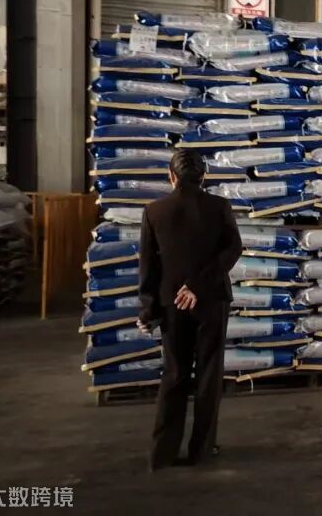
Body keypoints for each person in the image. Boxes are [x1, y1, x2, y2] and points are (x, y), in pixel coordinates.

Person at [137, 149, 243, 472]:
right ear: (204, 177)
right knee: (209, 376)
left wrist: (148, 310)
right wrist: (197, 285)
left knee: (174, 374)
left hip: (172, 304)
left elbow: (148, 267)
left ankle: (162, 453)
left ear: (171, 177)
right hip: (212, 301)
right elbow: (233, 249)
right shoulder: (219, 207)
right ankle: (201, 450)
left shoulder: (154, 211)